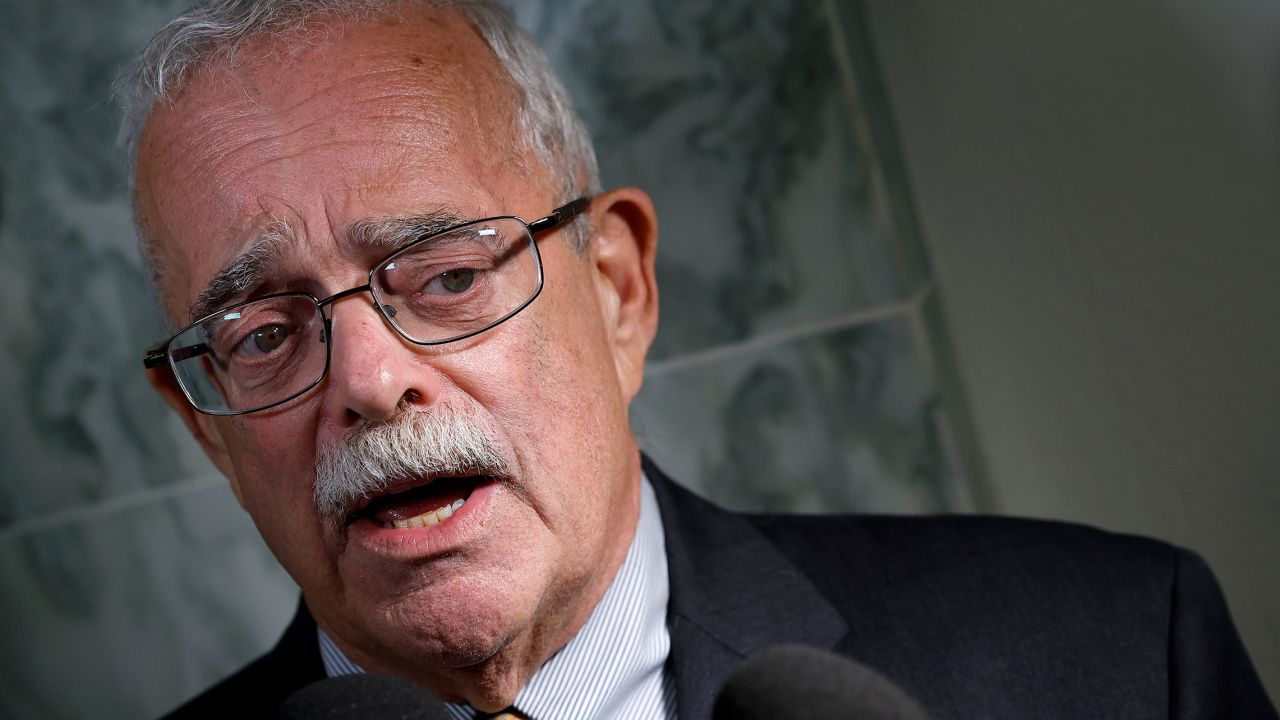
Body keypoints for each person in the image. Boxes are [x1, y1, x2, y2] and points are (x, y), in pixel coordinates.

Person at [122, 1, 1276, 718]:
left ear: (617, 294)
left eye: (447, 275)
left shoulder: (1122, 650)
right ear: (206, 427)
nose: (371, 382)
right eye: (264, 336)